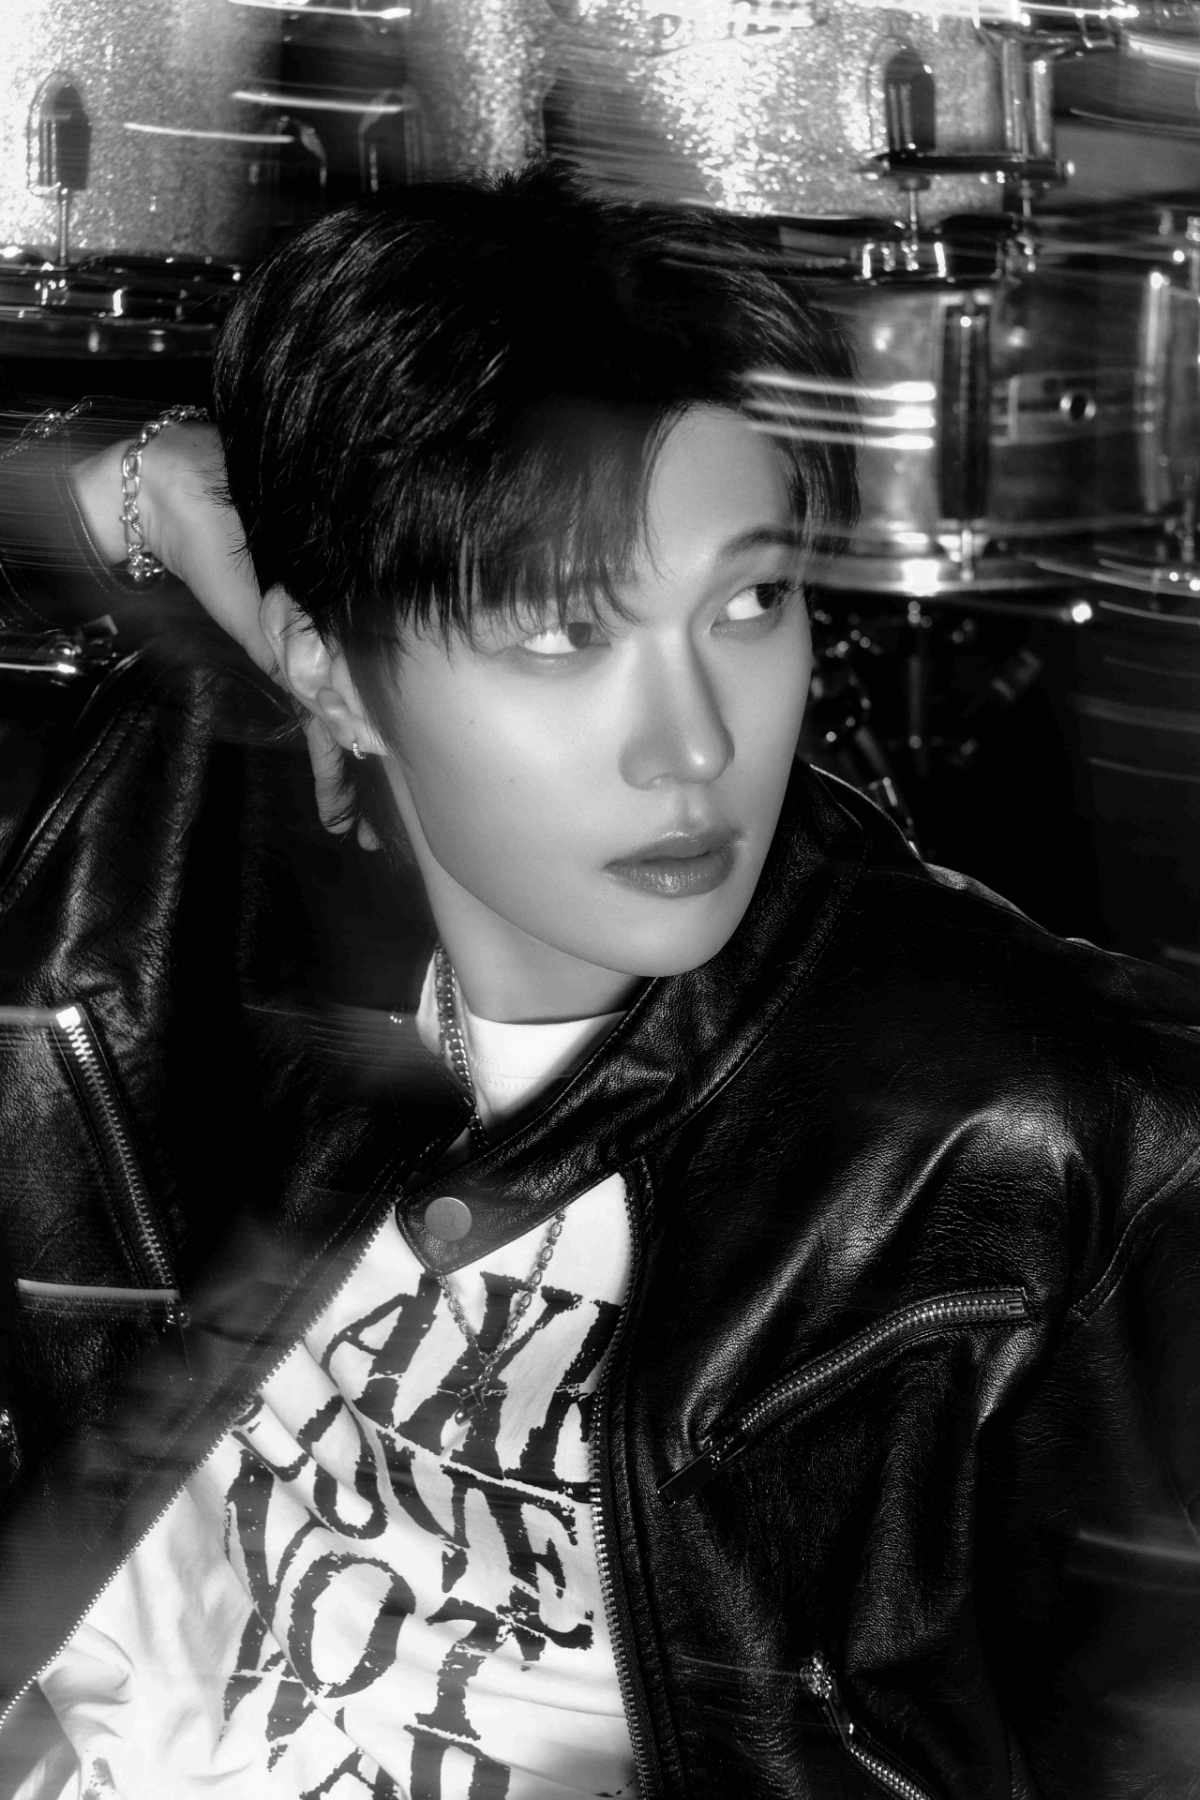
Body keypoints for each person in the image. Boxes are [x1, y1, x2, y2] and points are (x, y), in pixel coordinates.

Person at [0, 163, 1197, 1800]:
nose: (690, 745)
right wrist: (138, 491)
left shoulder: (1032, 1145)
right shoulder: (172, 865)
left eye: (751, 601)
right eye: (562, 634)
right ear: (329, 674)